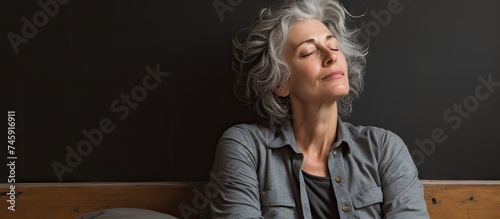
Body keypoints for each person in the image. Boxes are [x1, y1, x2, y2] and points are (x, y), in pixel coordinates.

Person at [207, 0, 429, 218]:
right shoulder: (245, 147)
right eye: (309, 52)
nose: (331, 56)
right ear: (281, 82)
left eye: (333, 46)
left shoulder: (384, 149)